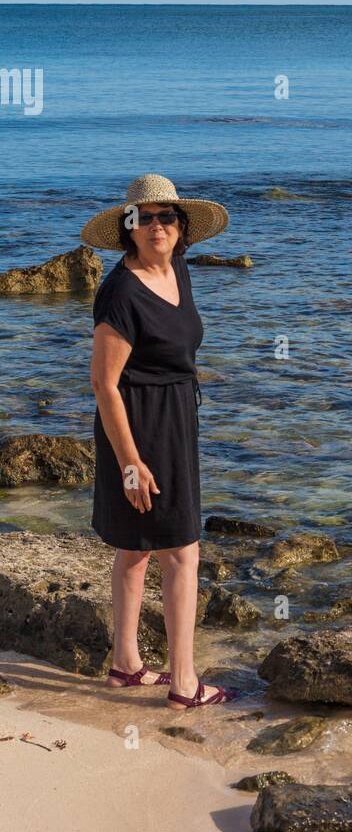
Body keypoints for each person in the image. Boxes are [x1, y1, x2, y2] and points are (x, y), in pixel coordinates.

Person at [81, 173, 237, 710]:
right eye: (143, 218)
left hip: (176, 420)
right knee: (182, 552)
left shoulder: (177, 269)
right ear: (128, 228)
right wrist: (129, 462)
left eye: (165, 216)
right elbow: (103, 384)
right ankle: (185, 683)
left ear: (181, 225)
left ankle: (125, 664)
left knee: (135, 547)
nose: (155, 226)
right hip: (138, 426)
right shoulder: (120, 293)